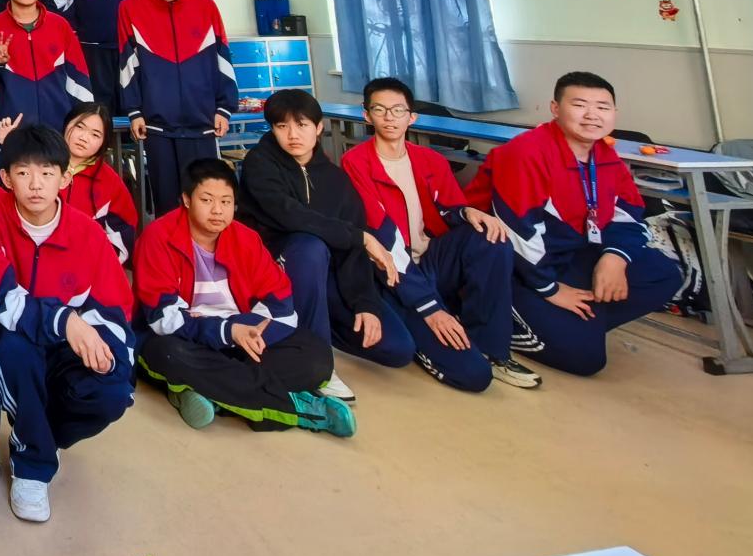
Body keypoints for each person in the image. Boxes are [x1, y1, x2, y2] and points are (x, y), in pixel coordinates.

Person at [466, 71, 684, 377]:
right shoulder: (526, 152)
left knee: (663, 274)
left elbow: (628, 212)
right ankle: (501, 315)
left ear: (615, 113)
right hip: (509, 265)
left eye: (603, 107)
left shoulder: (605, 155)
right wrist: (551, 290)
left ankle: (572, 324)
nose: (592, 115)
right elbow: (518, 233)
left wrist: (615, 258)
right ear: (555, 108)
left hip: (568, 252)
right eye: (580, 105)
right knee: (586, 359)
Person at [0, 124, 133, 524]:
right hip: (9, 340)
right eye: (23, 173)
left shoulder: (88, 233)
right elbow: (2, 300)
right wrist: (66, 321)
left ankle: (39, 436)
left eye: (46, 173)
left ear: (65, 177)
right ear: (5, 178)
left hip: (63, 348)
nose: (35, 184)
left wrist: (109, 358)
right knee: (14, 348)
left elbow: (114, 309)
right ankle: (32, 466)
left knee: (112, 392)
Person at [341, 78, 540, 392]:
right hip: (393, 275)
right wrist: (429, 308)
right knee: (474, 376)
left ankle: (493, 348)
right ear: (367, 115)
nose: (390, 117)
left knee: (490, 235)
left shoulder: (430, 160)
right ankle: (428, 321)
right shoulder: (355, 162)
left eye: (398, 110)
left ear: (412, 117)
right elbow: (384, 238)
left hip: (433, 261)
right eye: (380, 110)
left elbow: (449, 209)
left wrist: (467, 212)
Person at [134, 160, 352, 437]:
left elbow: (282, 309)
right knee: (166, 353)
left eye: (226, 202)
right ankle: (300, 409)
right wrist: (226, 331)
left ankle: (209, 391)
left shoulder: (246, 239)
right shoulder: (158, 237)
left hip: (238, 339)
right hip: (185, 340)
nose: (217, 210)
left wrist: (244, 331)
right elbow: (162, 318)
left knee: (316, 357)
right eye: (206, 200)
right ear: (186, 200)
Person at [237, 89, 402, 403]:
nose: (292, 135)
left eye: (301, 125)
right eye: (282, 126)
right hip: (275, 263)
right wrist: (360, 237)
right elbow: (291, 215)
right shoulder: (260, 163)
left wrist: (364, 303)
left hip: (321, 274)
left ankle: (322, 325)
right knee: (309, 245)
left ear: (319, 127)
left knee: (397, 348)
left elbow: (352, 244)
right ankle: (319, 364)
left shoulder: (335, 179)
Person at [117, 0, 237, 215]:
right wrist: (134, 111)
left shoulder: (204, 5)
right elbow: (127, 63)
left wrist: (224, 108)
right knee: (167, 202)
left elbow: (222, 57)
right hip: (157, 125)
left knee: (205, 199)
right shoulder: (130, 8)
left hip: (202, 122)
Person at [0, 0, 96, 139]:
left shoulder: (60, 26)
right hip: (9, 127)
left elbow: (79, 76)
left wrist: (84, 120)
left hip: (58, 124)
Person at [60, 101, 138, 267]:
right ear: (67, 124)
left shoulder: (109, 181)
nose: (84, 138)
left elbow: (124, 232)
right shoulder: (40, 165)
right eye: (79, 127)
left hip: (88, 267)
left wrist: (96, 264)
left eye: (95, 135)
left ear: (104, 142)